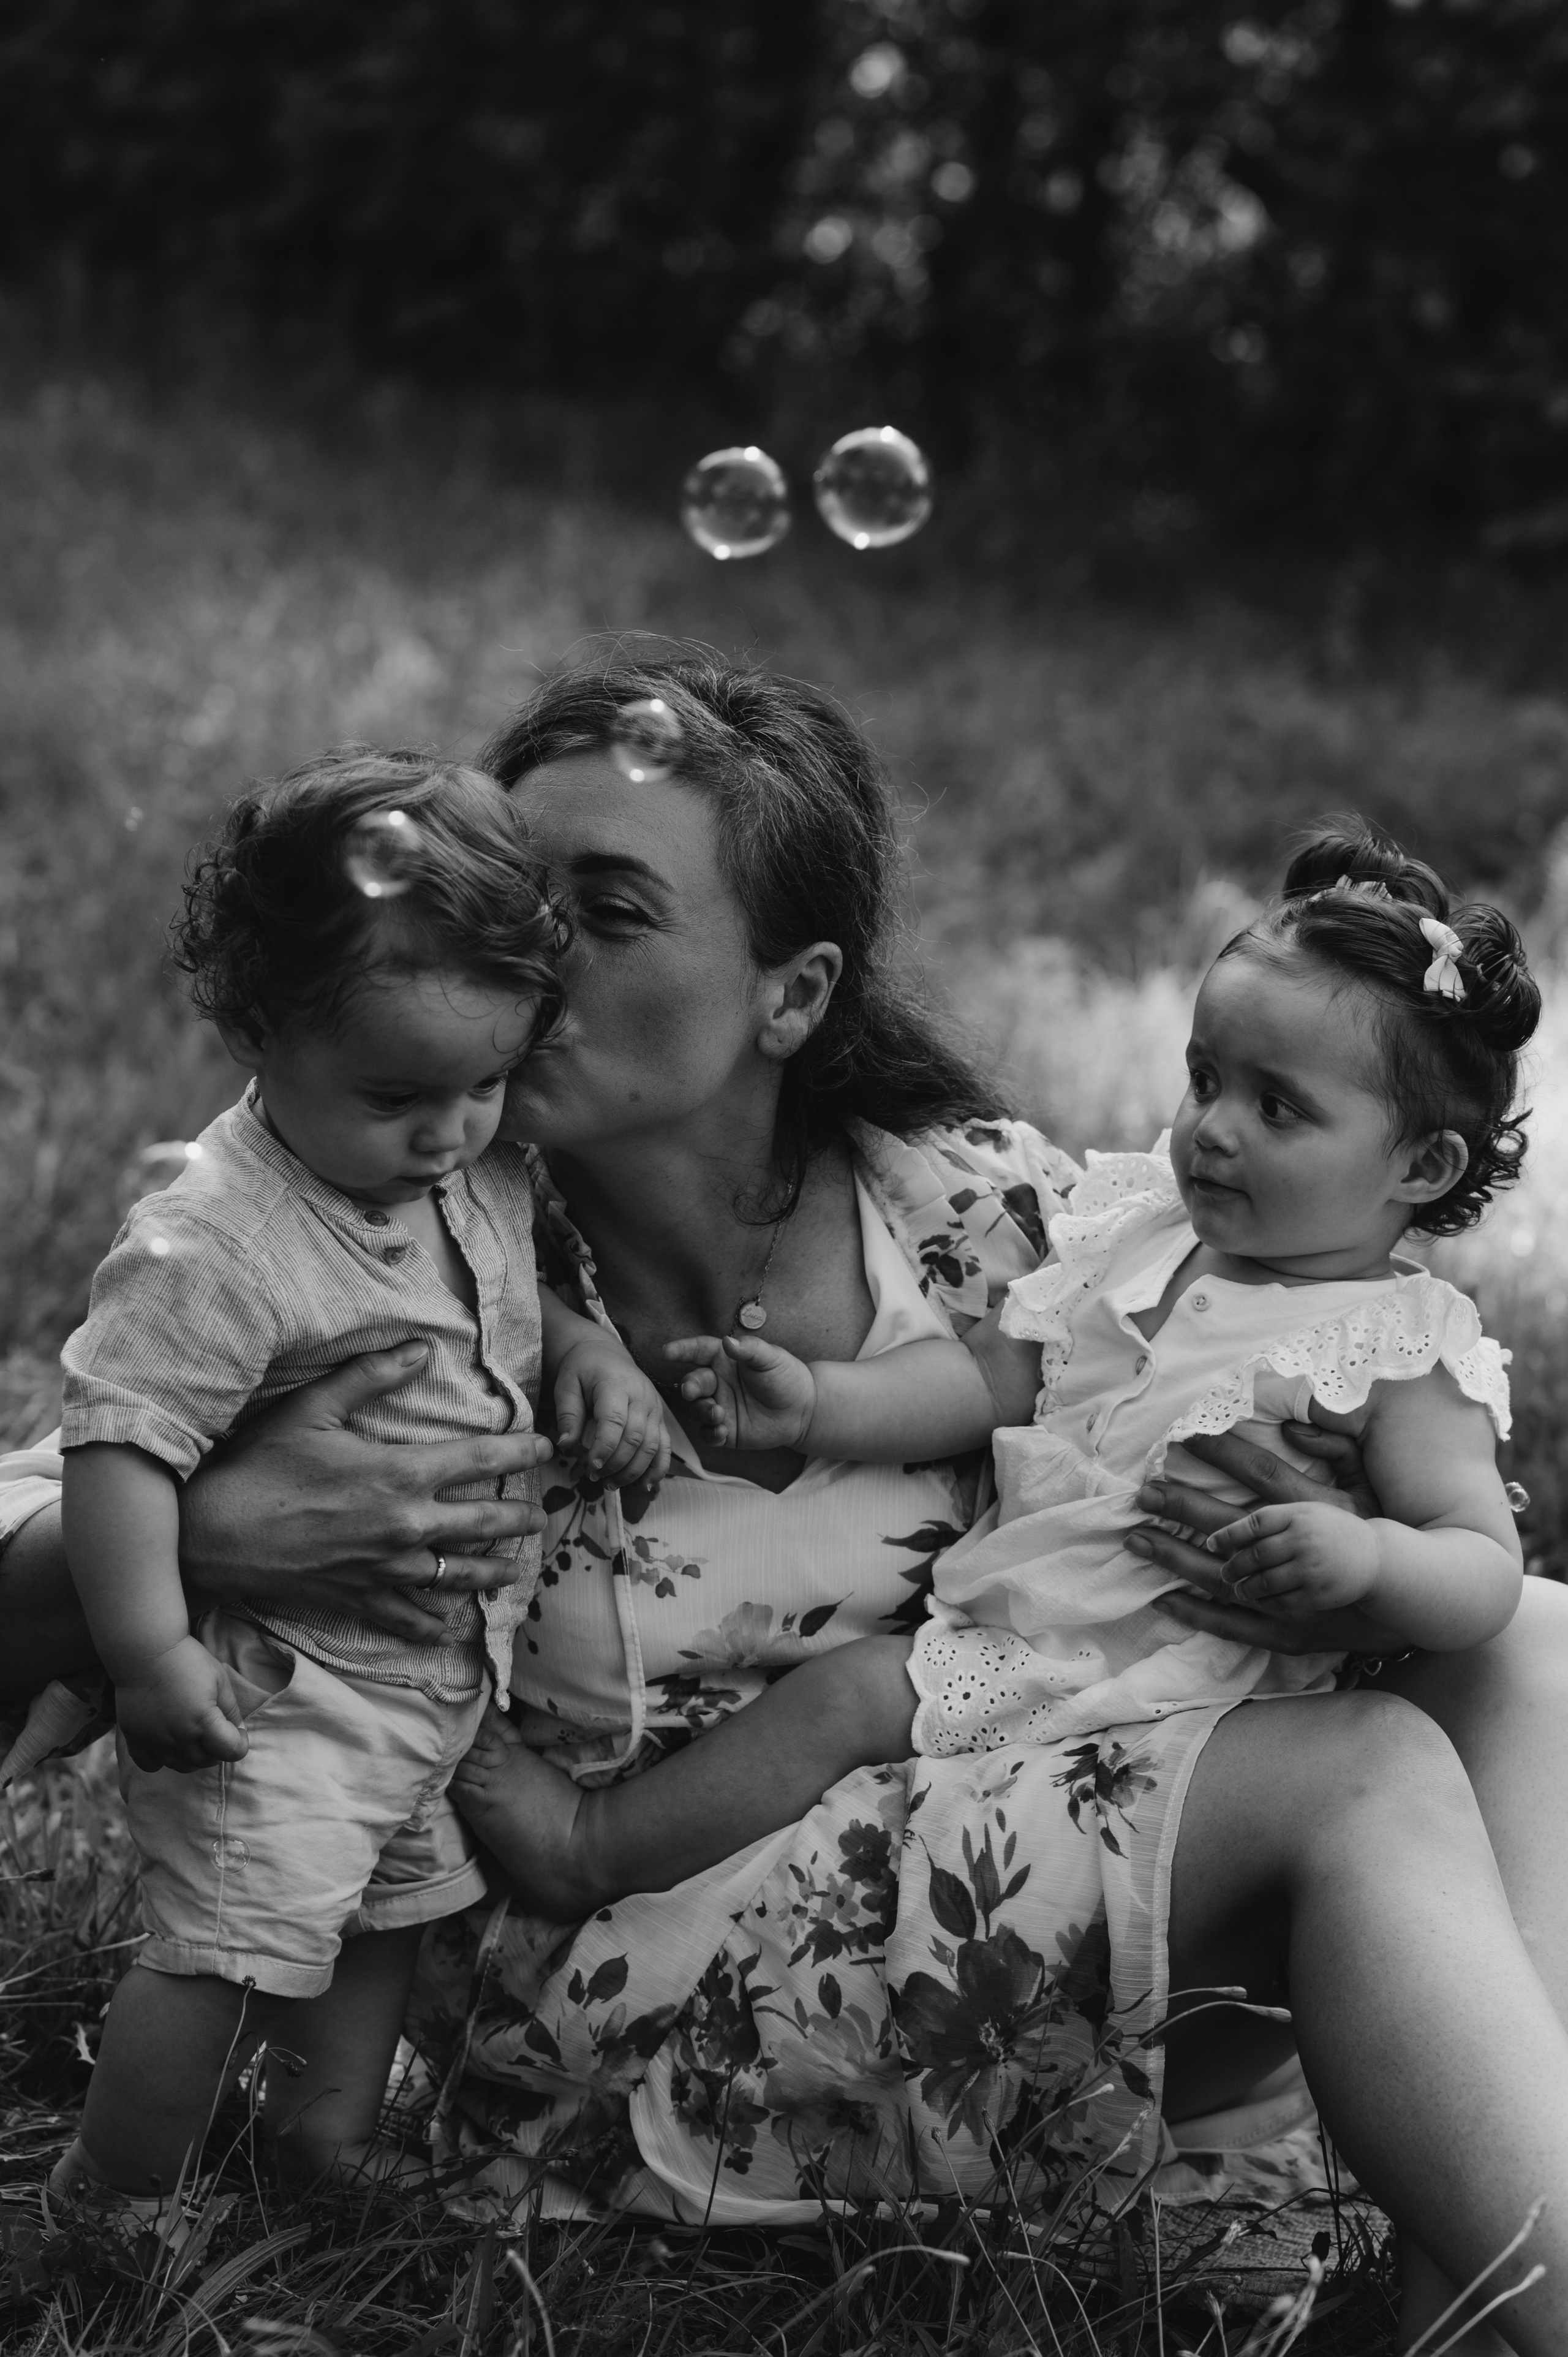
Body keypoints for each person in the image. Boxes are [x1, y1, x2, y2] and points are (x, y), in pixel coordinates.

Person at [4, 657, 1568, 2351]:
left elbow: (1268, 1385)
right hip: (640, 1962)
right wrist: (217, 1537)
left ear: (790, 992)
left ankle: (1473, 2303)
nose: (525, 959)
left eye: (601, 912)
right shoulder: (385, 1242)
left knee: (1534, 1642)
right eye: (506, 900)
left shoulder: (988, 1221)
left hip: (993, 1822)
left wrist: (1315, 1554)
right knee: (1365, 1774)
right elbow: (58, 1492)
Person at [461, 823, 1536, 1918]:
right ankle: (614, 1855)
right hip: (1029, 1645)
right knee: (851, 1710)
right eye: (1205, 1079)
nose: (1211, 1131)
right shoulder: (1135, 1239)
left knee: (847, 1705)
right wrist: (819, 1404)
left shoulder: (1402, 1344)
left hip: (1189, 1681)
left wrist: (1365, 1558)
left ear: (1423, 1163)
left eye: (1279, 1108)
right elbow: (983, 1382)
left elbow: (1484, 1563)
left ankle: (591, 1849)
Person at [47, 749, 668, 2226]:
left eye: (486, 1083)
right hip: (276, 1693)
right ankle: (112, 2189)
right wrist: (148, 1653)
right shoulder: (215, 1245)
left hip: (429, 1679)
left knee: (383, 1928)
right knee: (220, 1953)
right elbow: (119, 1446)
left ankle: (321, 2141)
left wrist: (586, 1352)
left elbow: (513, 1292)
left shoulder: (463, 1164)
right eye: (400, 1093)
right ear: (257, 1027)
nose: (454, 1133)